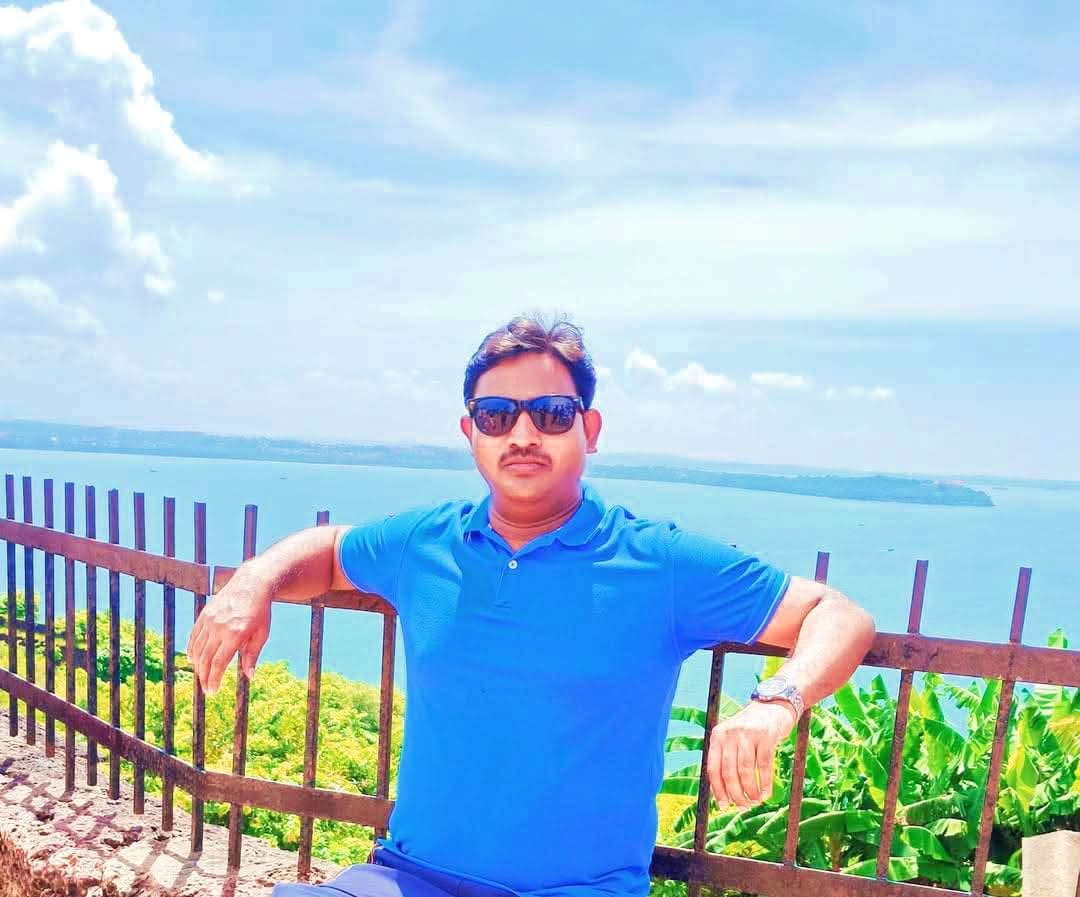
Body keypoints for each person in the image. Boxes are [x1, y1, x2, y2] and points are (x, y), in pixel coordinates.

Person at [185, 314, 876, 897]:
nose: (521, 434)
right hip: (409, 877)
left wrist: (776, 701)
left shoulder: (658, 562)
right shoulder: (426, 541)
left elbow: (839, 615)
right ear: (471, 432)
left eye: (550, 414)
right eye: (496, 415)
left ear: (589, 429)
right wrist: (255, 580)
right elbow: (333, 549)